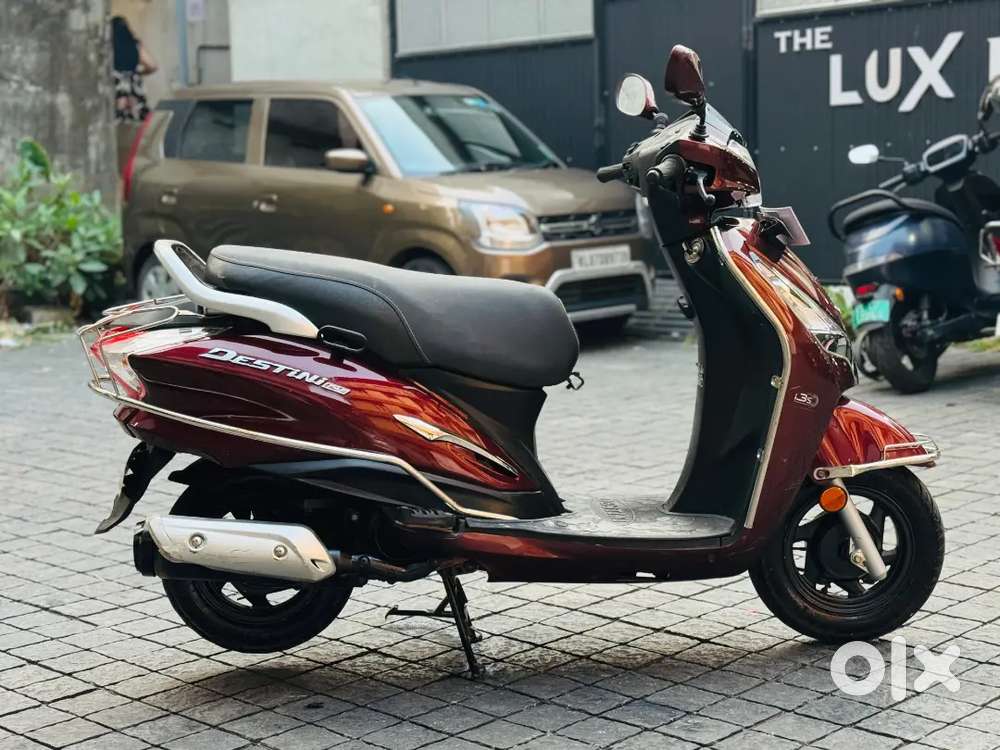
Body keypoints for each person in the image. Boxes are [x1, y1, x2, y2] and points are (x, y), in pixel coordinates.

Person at [111, 16, 157, 122]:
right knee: (138, 120)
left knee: (119, 120)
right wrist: (139, 73)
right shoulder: (135, 44)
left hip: (117, 88)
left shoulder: (107, 47)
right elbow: (153, 66)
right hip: (134, 89)